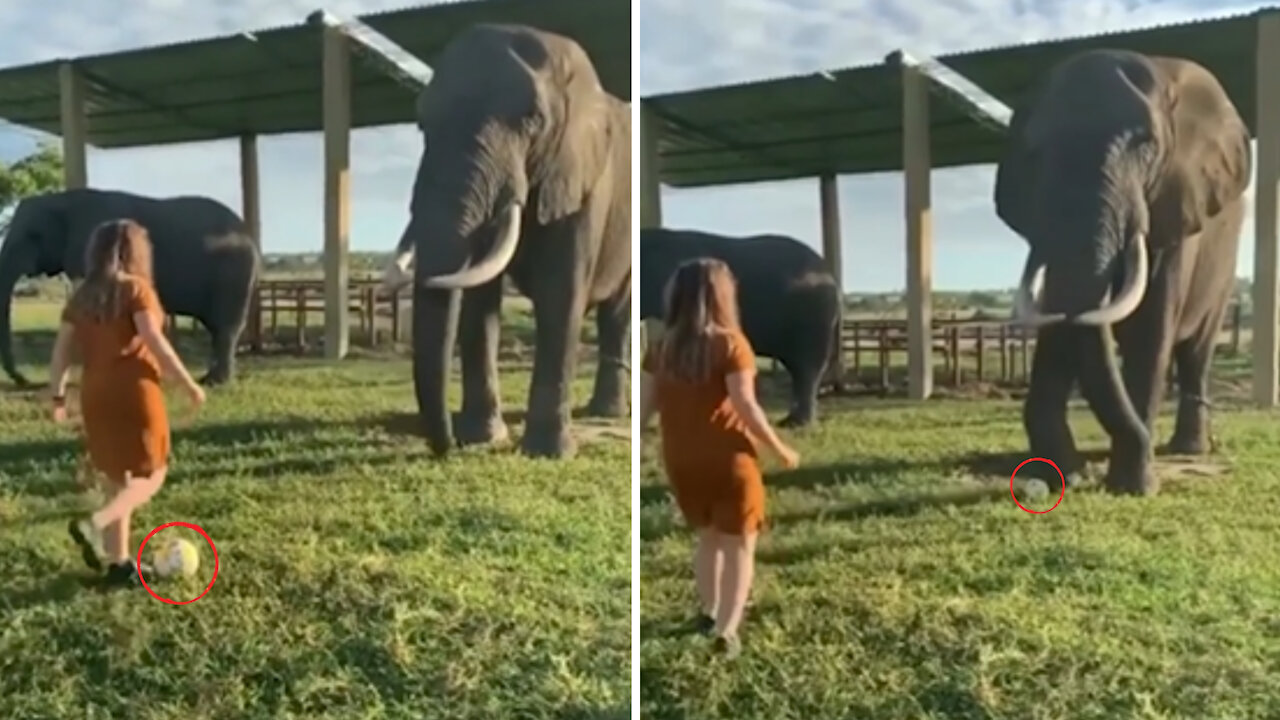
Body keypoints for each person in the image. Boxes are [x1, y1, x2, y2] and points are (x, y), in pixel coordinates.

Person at [639, 257, 800, 658]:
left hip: (681, 460)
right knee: (740, 546)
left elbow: (643, 408)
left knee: (708, 538)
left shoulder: (661, 348)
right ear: (722, 295)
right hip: (729, 459)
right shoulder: (731, 344)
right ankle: (728, 631)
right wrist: (780, 448)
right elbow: (745, 406)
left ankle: (708, 612)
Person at [49, 219, 206, 588]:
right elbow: (153, 339)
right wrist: (187, 384)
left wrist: (58, 396)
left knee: (117, 480)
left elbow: (60, 354)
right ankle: (96, 524)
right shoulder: (137, 290)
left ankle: (119, 565)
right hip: (134, 391)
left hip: (95, 393)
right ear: (134, 252)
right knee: (152, 475)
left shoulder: (81, 296)